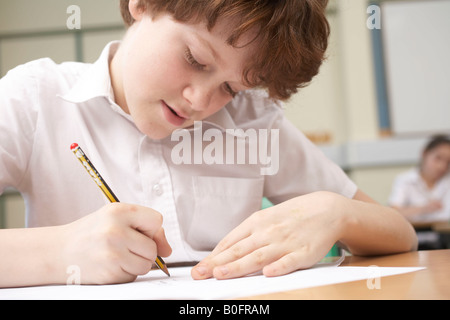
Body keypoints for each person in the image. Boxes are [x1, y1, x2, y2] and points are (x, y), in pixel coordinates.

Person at [0, 0, 417, 287]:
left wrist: (337, 213)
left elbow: (403, 235)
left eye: (231, 88)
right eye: (195, 60)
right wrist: (61, 251)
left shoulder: (251, 121)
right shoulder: (36, 97)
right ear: (142, 3)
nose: (201, 102)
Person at [389, 135, 450, 249]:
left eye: (448, 162)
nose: (442, 166)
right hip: (413, 240)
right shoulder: (405, 180)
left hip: (445, 241)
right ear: (424, 153)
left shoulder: (447, 182)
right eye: (438, 158)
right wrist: (423, 209)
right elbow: (393, 212)